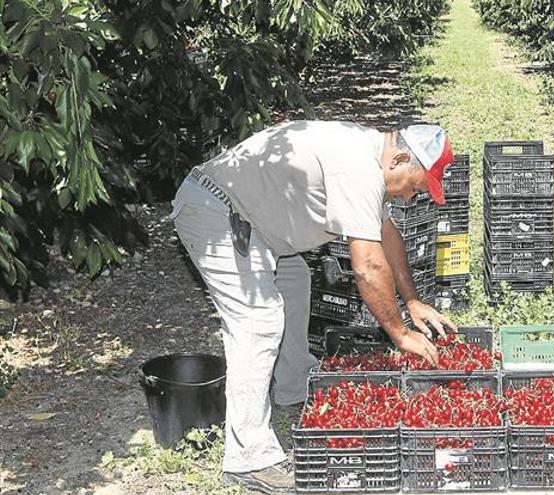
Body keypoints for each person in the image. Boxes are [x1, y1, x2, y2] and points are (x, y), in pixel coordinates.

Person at [170, 120, 458, 493]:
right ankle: (248, 457)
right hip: (219, 212)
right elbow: (368, 268)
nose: (409, 198)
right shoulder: (357, 167)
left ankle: (292, 385)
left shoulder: (372, 157)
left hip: (259, 225)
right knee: (258, 321)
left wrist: (413, 300)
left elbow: (387, 235)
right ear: (401, 159)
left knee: (295, 281)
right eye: (415, 187)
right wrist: (400, 334)